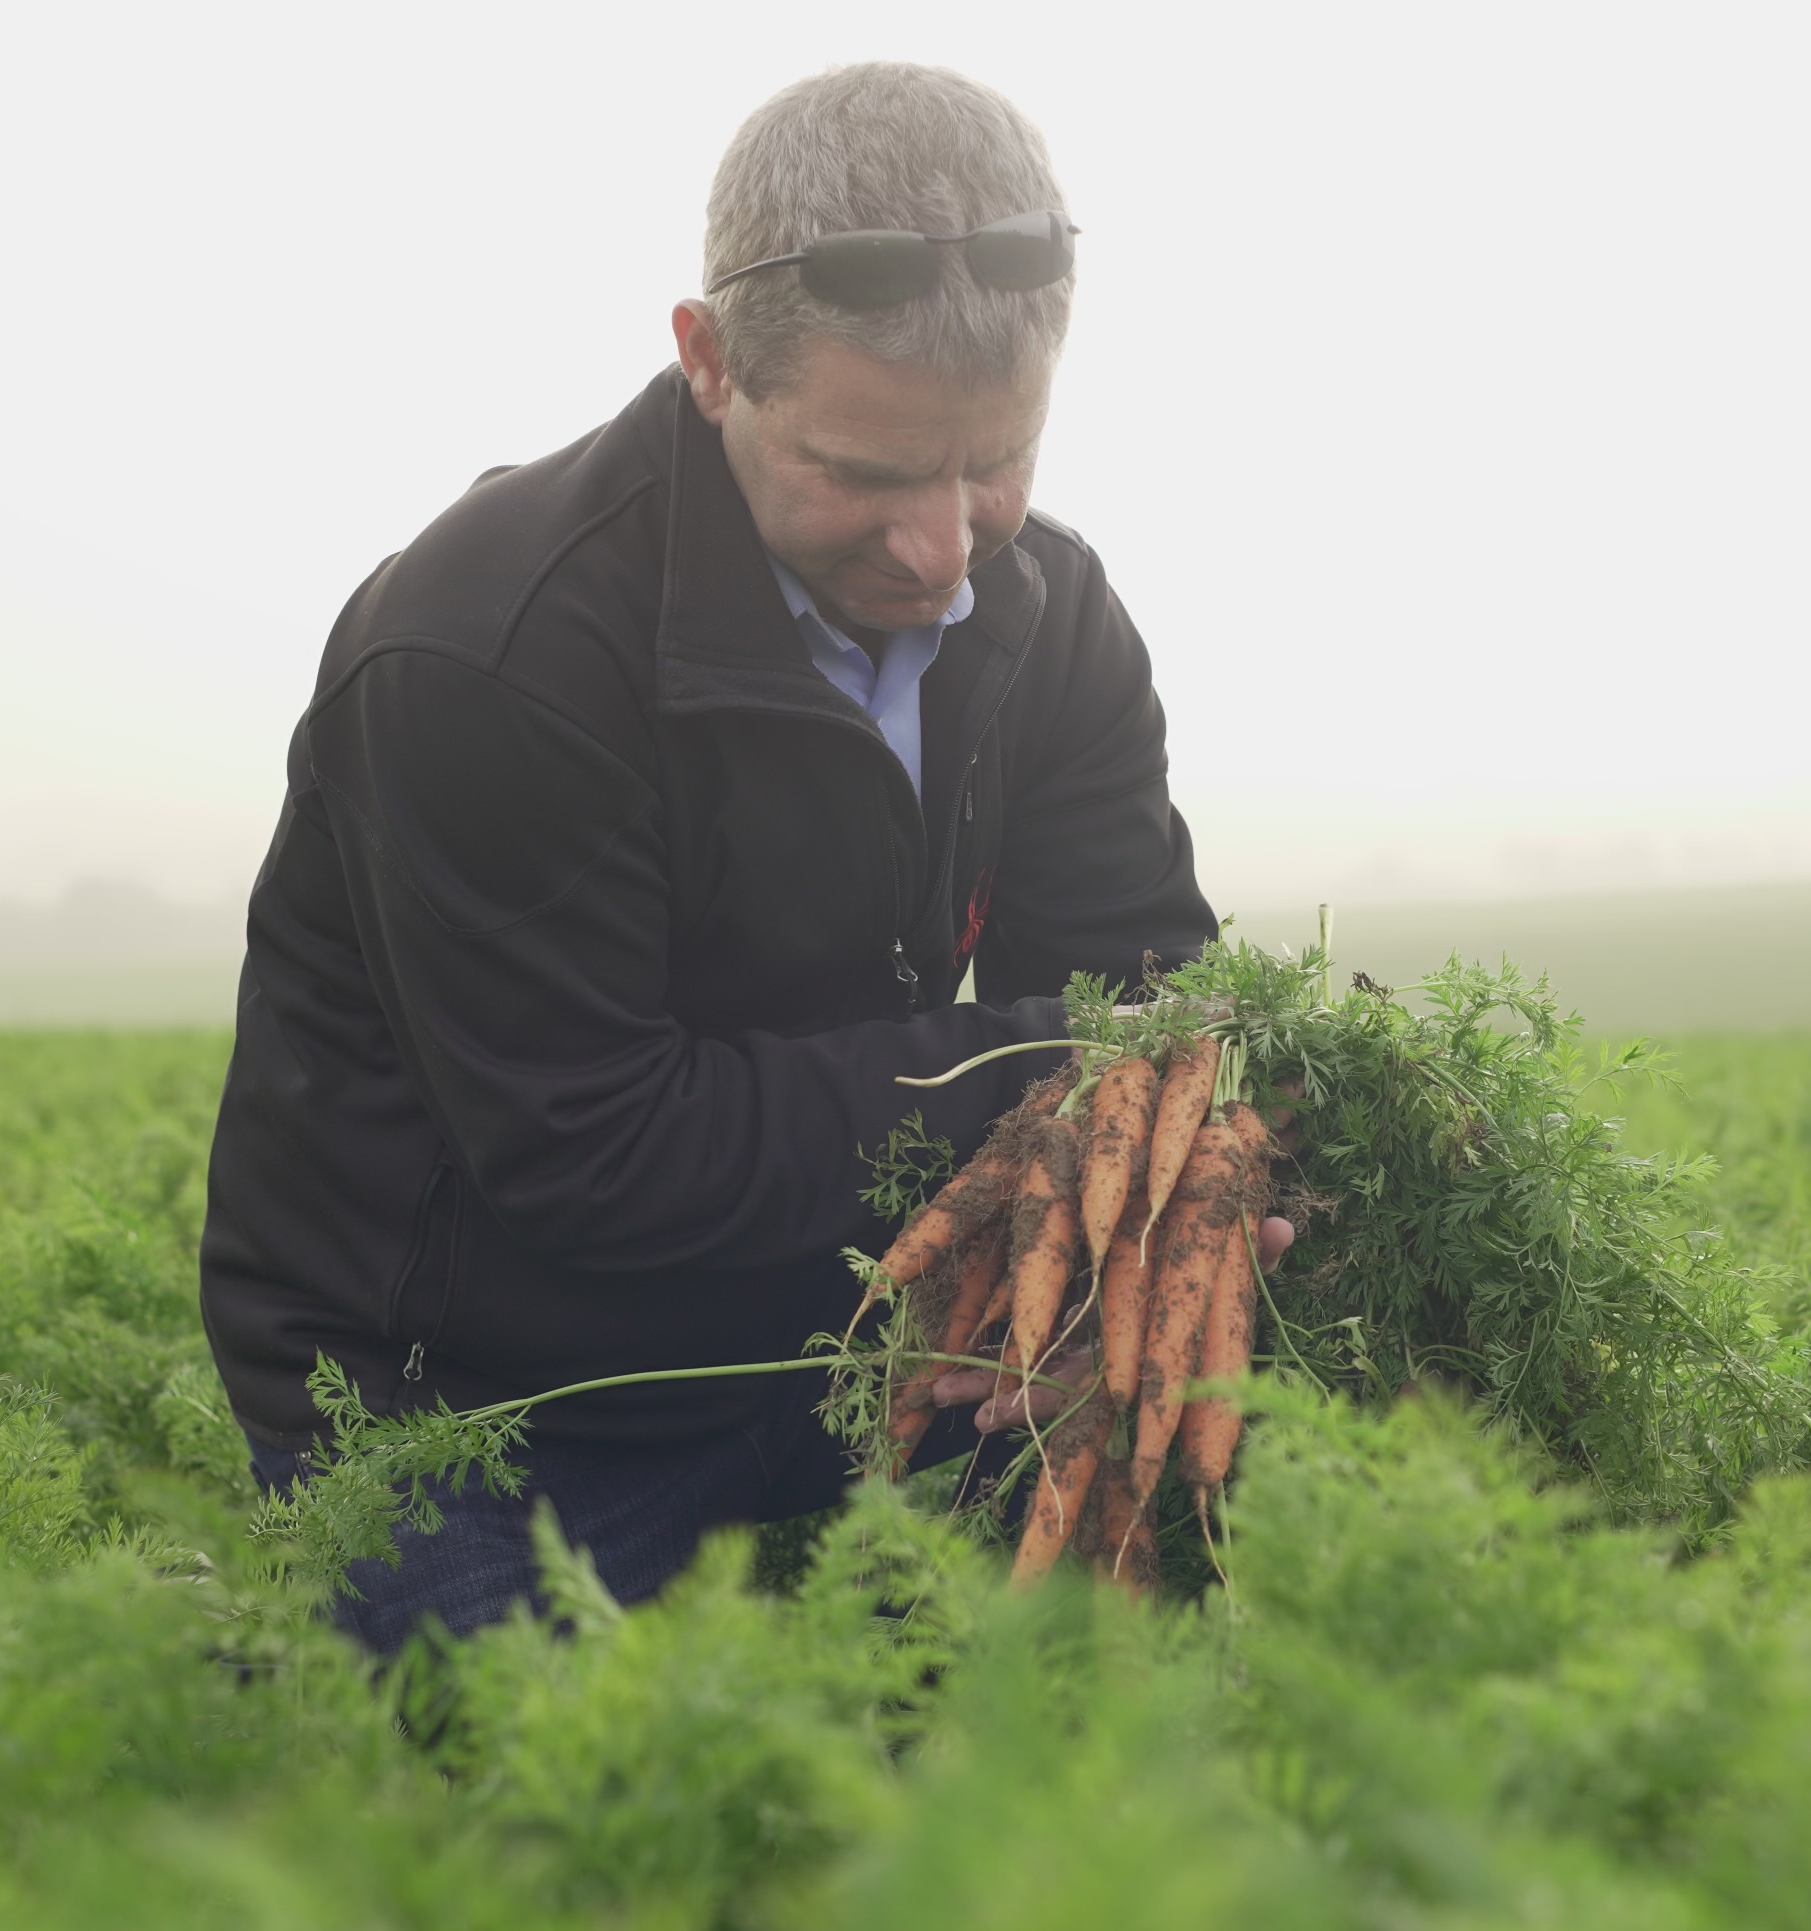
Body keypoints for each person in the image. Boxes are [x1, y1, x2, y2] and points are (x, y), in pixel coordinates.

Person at [199, 62, 1280, 1651]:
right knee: (545, 1841)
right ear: (710, 365)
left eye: (995, 461)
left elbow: (1139, 983)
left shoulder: (1053, 620)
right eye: (865, 473)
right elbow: (602, 1153)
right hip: (489, 1407)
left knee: (1133, 1674)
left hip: (853, 1327)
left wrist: (1188, 1156)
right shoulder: (487, 654)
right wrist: (1071, 1073)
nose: (945, 549)